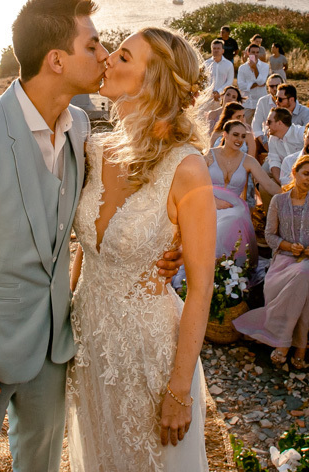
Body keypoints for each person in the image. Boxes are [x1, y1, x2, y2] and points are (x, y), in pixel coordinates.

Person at [0, 0, 182, 472]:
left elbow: (124, 202)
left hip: (53, 351)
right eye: (94, 45)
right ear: (56, 59)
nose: (105, 56)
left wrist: (164, 244)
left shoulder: (80, 126)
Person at [67, 26, 217, 471]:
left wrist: (179, 387)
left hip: (148, 352)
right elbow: (86, 250)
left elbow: (201, 289)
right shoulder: (94, 149)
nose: (108, 58)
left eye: (124, 57)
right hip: (89, 343)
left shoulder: (187, 169)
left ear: (155, 80)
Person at [234, 154, 309, 370]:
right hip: (284, 261)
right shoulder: (279, 201)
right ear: (295, 173)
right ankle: (300, 346)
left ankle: (284, 344)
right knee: (298, 283)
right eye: (306, 174)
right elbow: (270, 235)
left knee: (304, 275)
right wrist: (288, 246)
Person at [206, 119, 278, 267]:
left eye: (243, 136)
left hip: (234, 207)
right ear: (225, 135)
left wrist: (293, 193)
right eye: (235, 135)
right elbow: (195, 183)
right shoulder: (208, 155)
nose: (239, 140)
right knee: (218, 221)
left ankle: (225, 268)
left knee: (234, 217)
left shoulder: (248, 161)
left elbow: (268, 184)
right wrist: (213, 200)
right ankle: (209, 265)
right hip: (207, 202)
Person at [263, 108, 304, 182]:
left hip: (305, 173)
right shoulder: (272, 138)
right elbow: (274, 161)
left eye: (269, 122)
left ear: (280, 123)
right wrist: (282, 183)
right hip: (285, 175)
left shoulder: (301, 133)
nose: (266, 124)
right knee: (262, 175)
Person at [202, 40, 235, 115]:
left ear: (222, 50)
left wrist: (218, 92)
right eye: (214, 48)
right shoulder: (206, 64)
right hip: (207, 98)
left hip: (222, 98)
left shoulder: (229, 64)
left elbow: (229, 81)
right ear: (211, 50)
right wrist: (211, 92)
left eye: (218, 48)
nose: (216, 50)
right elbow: (203, 80)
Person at [249, 75, 284, 140]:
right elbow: (256, 124)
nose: (275, 89)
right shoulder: (262, 101)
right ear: (267, 88)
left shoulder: (290, 100)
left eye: (277, 85)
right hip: (267, 137)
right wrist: (263, 142)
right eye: (271, 86)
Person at [236, 44, 270, 110]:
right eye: (253, 52)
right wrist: (254, 84)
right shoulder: (242, 68)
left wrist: (255, 69)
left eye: (257, 52)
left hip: (260, 103)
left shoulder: (265, 66)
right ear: (248, 53)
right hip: (246, 103)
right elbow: (241, 85)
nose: (255, 54)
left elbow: (261, 82)